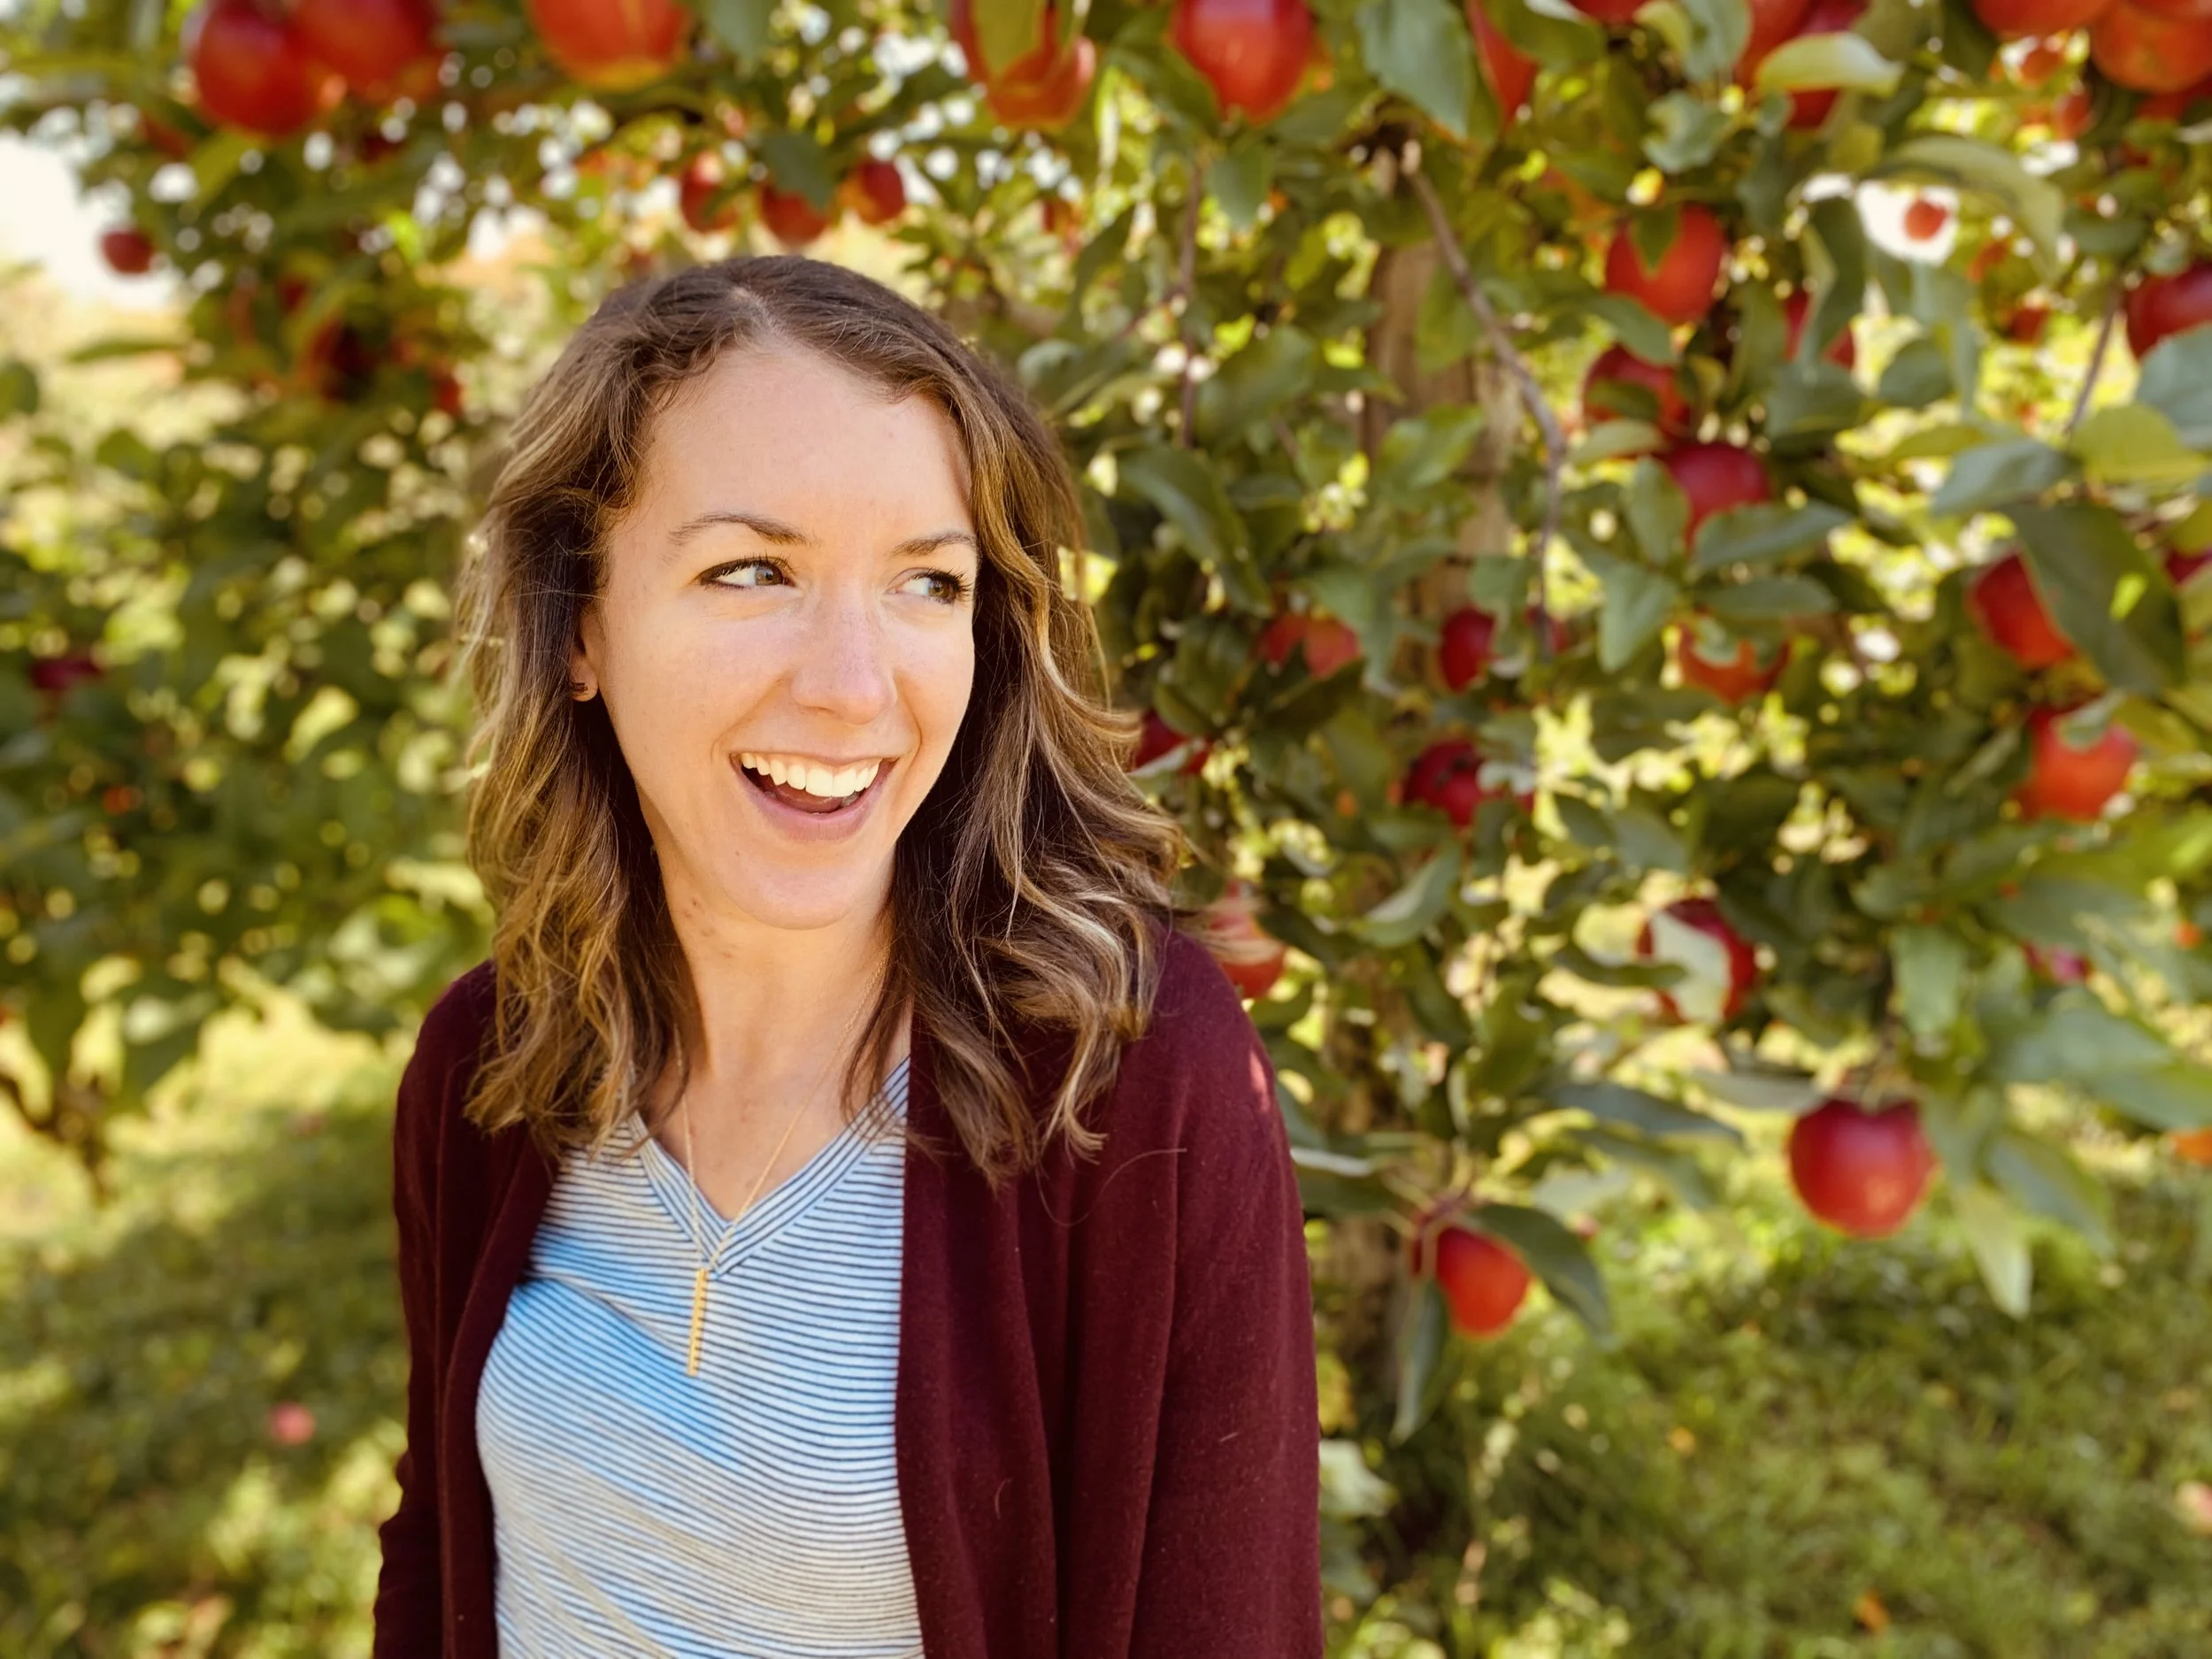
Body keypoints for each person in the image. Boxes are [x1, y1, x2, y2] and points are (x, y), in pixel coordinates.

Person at [371, 254, 1324, 1658]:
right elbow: (438, 1548)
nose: (854, 686)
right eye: (753, 570)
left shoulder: (1132, 1084)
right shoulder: (490, 1064)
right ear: (580, 623)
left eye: (928, 583)